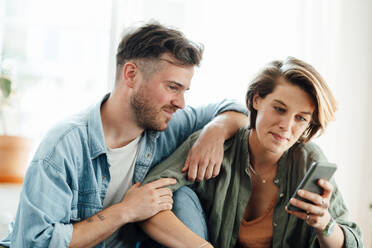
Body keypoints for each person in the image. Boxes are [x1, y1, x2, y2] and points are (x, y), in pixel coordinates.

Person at [0, 23, 249, 247]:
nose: (181, 103)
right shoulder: (64, 147)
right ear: (131, 74)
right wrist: (126, 210)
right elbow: (34, 243)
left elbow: (237, 110)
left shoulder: (169, 123)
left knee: (181, 194)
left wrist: (214, 132)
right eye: (172, 87)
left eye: (185, 90)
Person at [141, 57, 363, 248]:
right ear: (257, 100)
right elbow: (146, 196)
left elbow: (352, 240)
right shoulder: (216, 144)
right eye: (279, 109)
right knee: (178, 194)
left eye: (301, 118)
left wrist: (324, 223)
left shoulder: (309, 160)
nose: (286, 126)